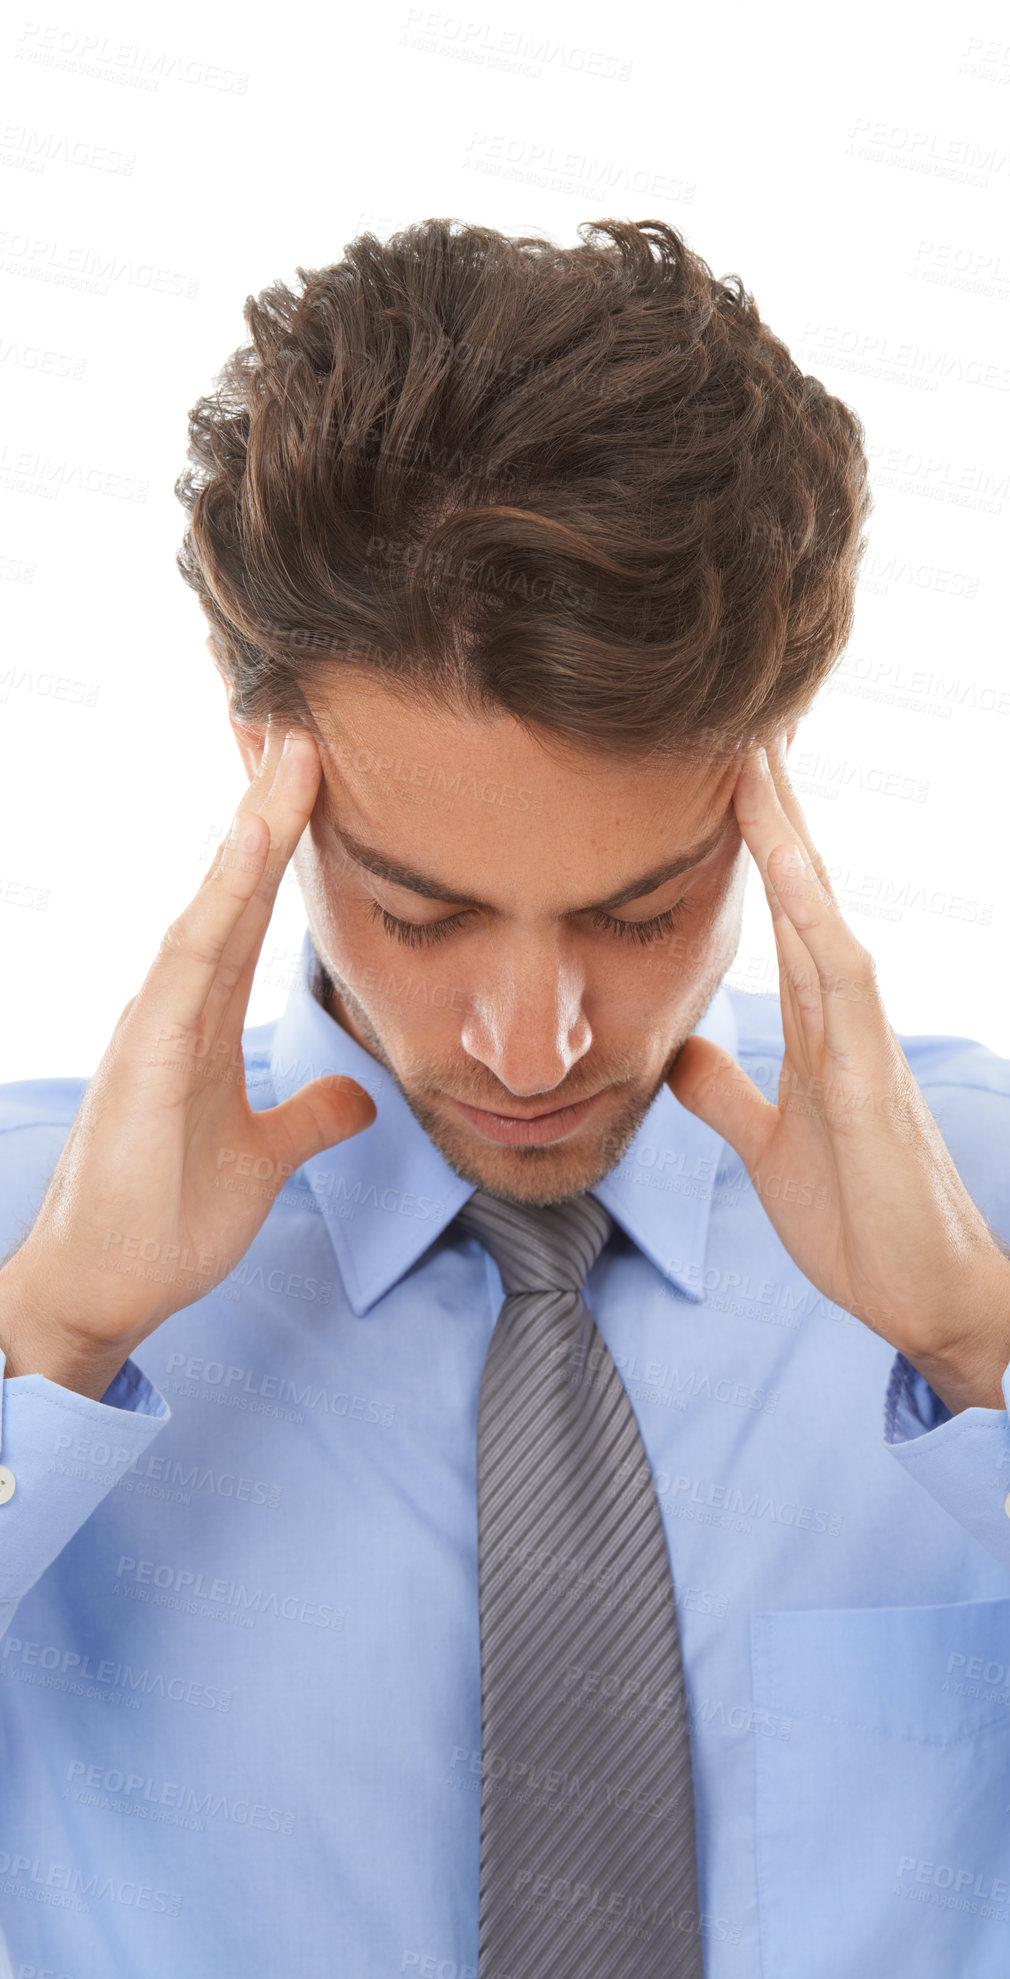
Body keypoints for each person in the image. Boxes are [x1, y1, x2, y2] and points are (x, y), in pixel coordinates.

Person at [0, 216, 1008, 1979]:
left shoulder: (983, 1206)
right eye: (421, 910)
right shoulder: (30, 1248)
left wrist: (985, 1358)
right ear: (268, 767)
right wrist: (48, 1354)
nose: (533, 1045)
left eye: (640, 910)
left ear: (767, 765)